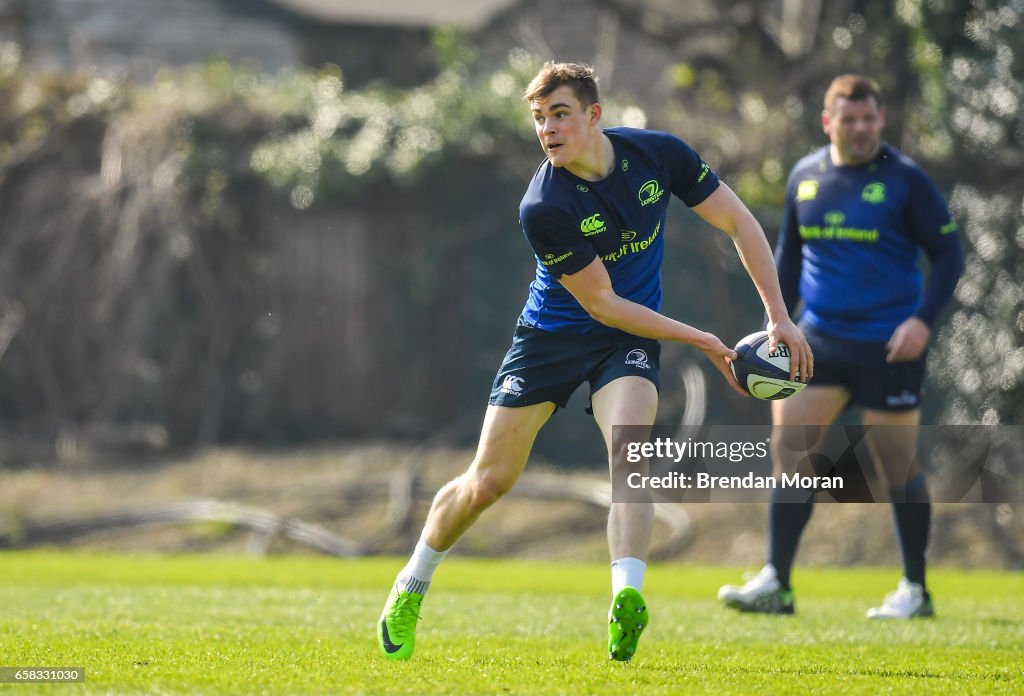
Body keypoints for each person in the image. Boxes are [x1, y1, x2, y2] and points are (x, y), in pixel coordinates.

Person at [377, 61, 811, 663]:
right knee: (489, 481)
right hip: (551, 339)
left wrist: (779, 317)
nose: (548, 129)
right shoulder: (543, 205)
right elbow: (604, 303)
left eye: (559, 114)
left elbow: (738, 220)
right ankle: (412, 583)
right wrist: (704, 340)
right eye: (538, 119)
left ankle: (624, 600)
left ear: (594, 115)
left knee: (629, 451)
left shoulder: (660, 157)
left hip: (621, 343)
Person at [718, 75, 964, 619]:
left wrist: (923, 322)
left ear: (880, 120)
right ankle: (777, 583)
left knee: (896, 467)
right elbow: (786, 256)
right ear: (828, 122)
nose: (860, 128)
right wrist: (775, 325)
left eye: (869, 118)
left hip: (889, 346)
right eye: (848, 119)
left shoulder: (905, 180)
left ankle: (915, 591)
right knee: (791, 455)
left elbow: (950, 256)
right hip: (818, 342)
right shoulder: (805, 176)